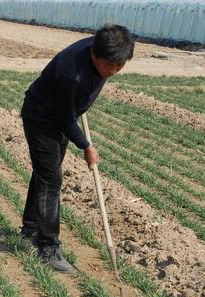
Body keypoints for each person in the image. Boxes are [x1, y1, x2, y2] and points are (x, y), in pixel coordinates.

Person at [20, 24, 134, 273]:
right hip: (42, 118)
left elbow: (68, 113)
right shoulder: (73, 75)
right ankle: (48, 247)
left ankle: (30, 229)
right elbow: (64, 119)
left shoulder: (102, 49)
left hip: (61, 113)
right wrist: (86, 146)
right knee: (51, 180)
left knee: (45, 174)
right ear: (94, 54)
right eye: (109, 65)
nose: (113, 71)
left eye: (119, 65)